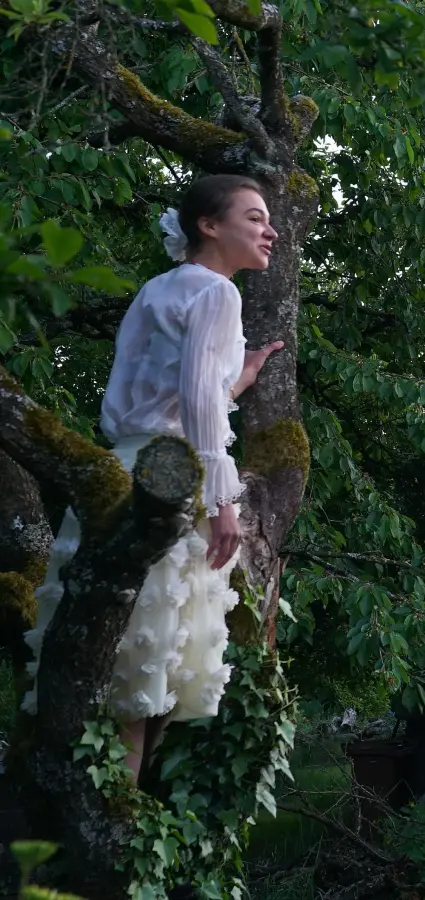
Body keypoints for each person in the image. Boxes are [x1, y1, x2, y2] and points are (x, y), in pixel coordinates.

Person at [22, 174, 283, 779]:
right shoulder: (218, 294)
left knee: (99, 665)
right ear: (208, 226)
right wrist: (223, 501)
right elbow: (197, 407)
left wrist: (238, 379)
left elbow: (175, 393)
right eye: (253, 217)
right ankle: (118, 830)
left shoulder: (157, 289)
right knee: (144, 683)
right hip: (171, 479)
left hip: (120, 469)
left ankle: (83, 815)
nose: (269, 230)